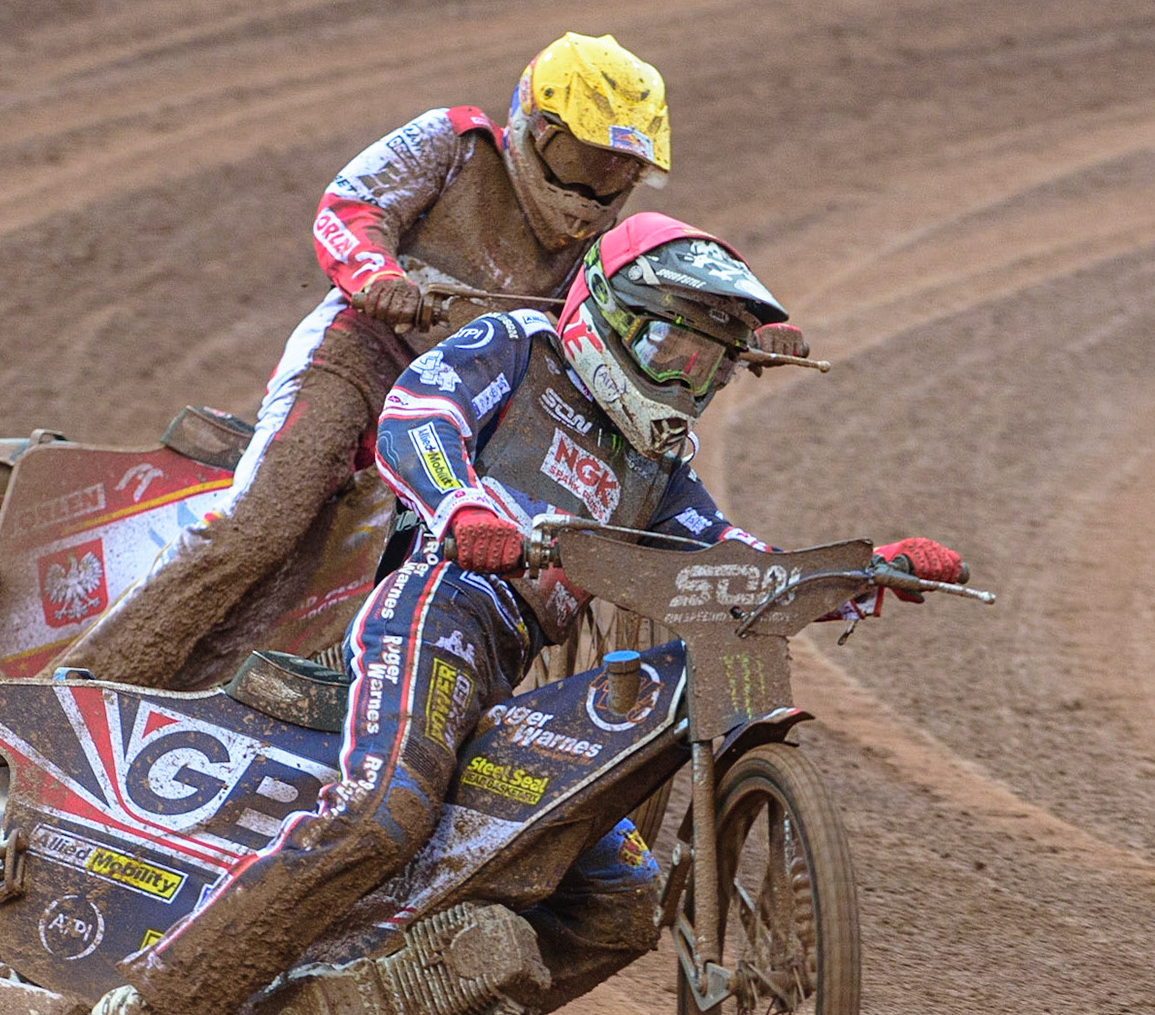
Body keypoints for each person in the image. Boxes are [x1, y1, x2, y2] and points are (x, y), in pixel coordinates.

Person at [84, 212, 965, 1015]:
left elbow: (728, 565)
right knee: (386, 809)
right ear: (615, 320)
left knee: (621, 900)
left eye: (710, 364)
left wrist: (860, 576)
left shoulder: (658, 466)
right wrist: (463, 500)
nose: (689, 381)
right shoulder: (520, 345)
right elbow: (416, 416)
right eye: (674, 348)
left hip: (514, 671)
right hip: (436, 608)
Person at [57, 33, 708, 688]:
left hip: (465, 418)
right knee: (264, 521)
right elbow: (353, 205)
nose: (596, 190)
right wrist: (377, 274)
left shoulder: (603, 253)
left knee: (369, 589)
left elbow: (645, 316)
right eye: (585, 161)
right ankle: (79, 680)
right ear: (536, 127)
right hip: (358, 359)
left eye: (618, 171)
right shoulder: (454, 145)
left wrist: (732, 335)